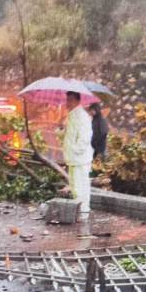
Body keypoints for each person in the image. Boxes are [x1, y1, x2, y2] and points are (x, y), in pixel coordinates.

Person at [62, 91, 93, 219]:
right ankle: (80, 212)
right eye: (67, 100)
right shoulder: (72, 115)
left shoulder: (81, 116)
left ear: (76, 101)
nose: (67, 103)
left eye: (70, 100)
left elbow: (84, 138)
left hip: (79, 159)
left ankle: (83, 213)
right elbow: (72, 135)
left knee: (81, 186)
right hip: (73, 158)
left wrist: (75, 150)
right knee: (75, 187)